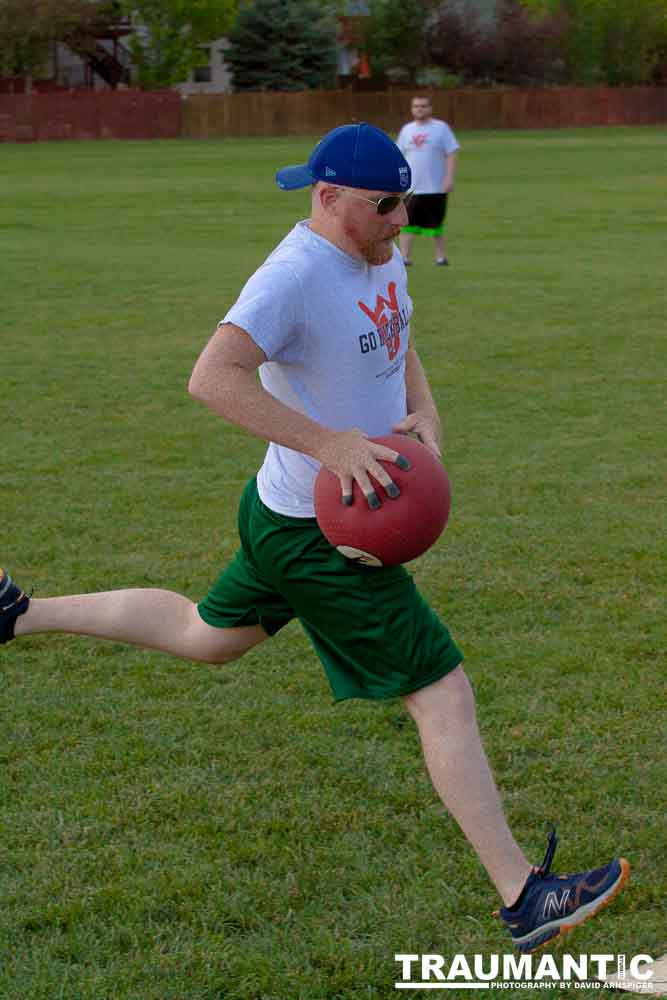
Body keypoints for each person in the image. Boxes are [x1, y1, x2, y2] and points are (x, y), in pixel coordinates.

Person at [1, 123, 628, 954]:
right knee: (440, 690)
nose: (401, 219)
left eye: (406, 202)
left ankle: (17, 613)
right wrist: (329, 445)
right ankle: (523, 897)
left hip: (280, 512)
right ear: (328, 198)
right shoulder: (291, 276)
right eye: (385, 204)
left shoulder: (381, 253)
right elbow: (210, 377)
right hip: (321, 532)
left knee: (207, 636)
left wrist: (424, 411)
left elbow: (400, 336)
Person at [397, 95, 460, 266]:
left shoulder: (441, 128)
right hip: (412, 188)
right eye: (416, 106)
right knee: (406, 224)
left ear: (430, 108)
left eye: (423, 106)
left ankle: (440, 258)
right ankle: (404, 258)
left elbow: (451, 153)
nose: (419, 109)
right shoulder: (407, 130)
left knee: (436, 224)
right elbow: (399, 156)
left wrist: (449, 177)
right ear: (412, 109)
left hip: (435, 187)